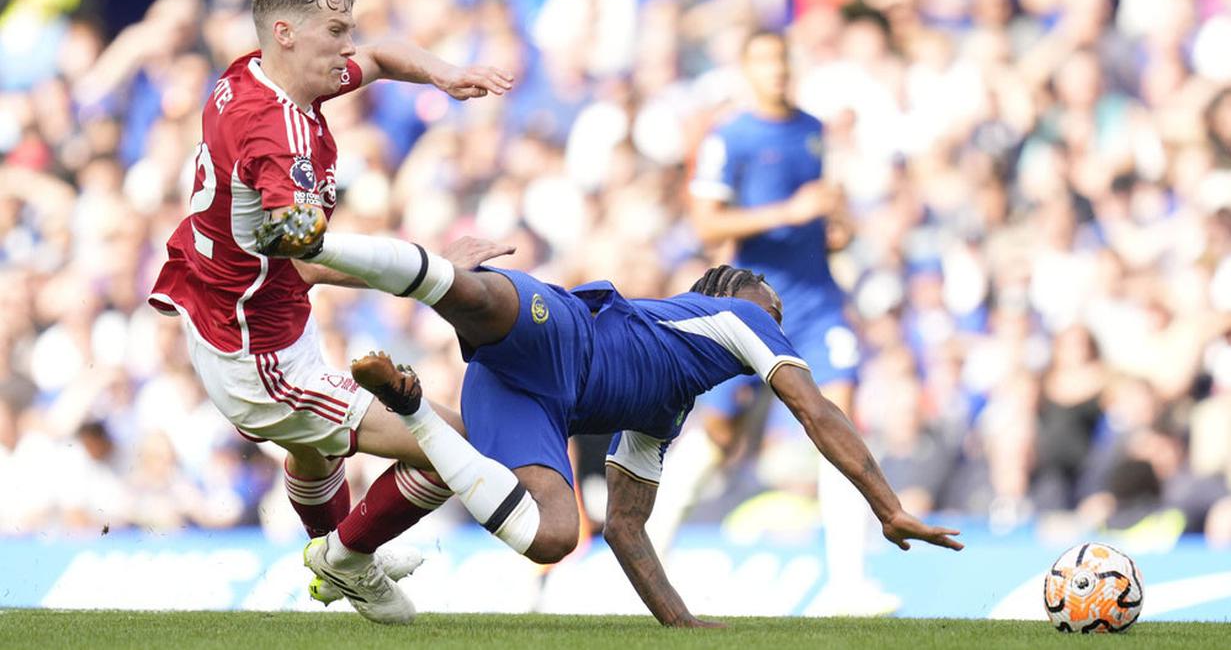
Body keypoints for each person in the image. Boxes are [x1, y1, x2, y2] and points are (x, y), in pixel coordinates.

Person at [255, 210, 964, 627]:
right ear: (729, 290)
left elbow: (624, 526)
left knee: (555, 538)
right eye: (764, 295)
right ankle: (315, 251)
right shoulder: (735, 313)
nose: (773, 306)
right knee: (468, 296)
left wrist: (681, 623)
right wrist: (886, 506)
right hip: (565, 330)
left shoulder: (666, 410)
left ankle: (412, 408)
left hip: (520, 401)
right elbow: (813, 408)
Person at [146, 0, 514, 625]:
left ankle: (341, 559)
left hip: (246, 310)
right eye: (334, 29)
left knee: (314, 453)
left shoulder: (247, 74)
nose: (347, 45)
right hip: (256, 355)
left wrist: (441, 71)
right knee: (452, 444)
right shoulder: (280, 138)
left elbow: (375, 56)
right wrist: (437, 268)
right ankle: (346, 559)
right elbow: (308, 253)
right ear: (284, 32)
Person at [681, 29, 885, 615]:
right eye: (765, 61)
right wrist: (790, 212)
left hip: (819, 303)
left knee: (836, 420)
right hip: (754, 309)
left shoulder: (814, 130)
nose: (777, 71)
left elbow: (824, 216)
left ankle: (849, 585)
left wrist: (834, 225)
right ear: (747, 70)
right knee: (719, 440)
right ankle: (638, 557)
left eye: (784, 60)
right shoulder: (730, 137)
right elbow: (706, 227)